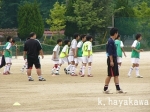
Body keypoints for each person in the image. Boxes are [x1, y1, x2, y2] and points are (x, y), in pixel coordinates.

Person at [103, 28, 125, 94]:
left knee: (116, 74)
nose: (117, 34)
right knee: (110, 74)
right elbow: (110, 53)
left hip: (114, 59)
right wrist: (111, 61)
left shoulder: (112, 41)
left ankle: (118, 89)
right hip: (111, 59)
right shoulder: (110, 41)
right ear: (115, 33)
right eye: (117, 33)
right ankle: (105, 89)